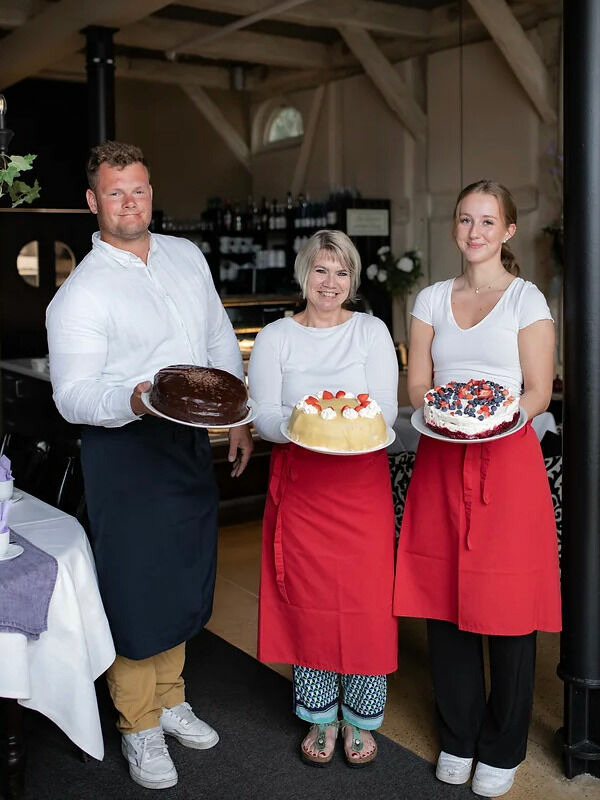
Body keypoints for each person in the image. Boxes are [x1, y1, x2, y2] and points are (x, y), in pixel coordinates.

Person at [46, 141, 253, 791]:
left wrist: (239, 412)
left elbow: (218, 334)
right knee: (136, 590)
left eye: (138, 188)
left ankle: (170, 699)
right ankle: (138, 725)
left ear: (150, 192)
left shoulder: (187, 256)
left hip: (188, 445)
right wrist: (136, 397)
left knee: (183, 576)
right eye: (115, 191)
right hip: (124, 449)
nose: (129, 201)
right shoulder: (80, 294)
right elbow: (73, 396)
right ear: (92, 201)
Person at [393, 180, 561, 798]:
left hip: (507, 460)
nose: (475, 232)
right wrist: (442, 412)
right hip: (441, 456)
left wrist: (494, 417)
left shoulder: (527, 300)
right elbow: (418, 386)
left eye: (487, 222)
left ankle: (503, 745)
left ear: (508, 231)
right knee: (445, 599)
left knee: (510, 608)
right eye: (465, 220)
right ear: (455, 228)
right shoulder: (431, 298)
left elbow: (538, 390)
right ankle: (457, 734)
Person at [248, 230, 398, 767]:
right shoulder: (274, 337)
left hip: (361, 487)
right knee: (308, 601)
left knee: (364, 601)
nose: (330, 282)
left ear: (352, 281)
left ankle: (360, 716)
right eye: (320, 270)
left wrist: (335, 420)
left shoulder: (372, 332)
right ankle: (318, 715)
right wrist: (300, 424)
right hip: (301, 486)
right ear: (303, 276)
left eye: (341, 272)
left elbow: (381, 409)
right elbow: (262, 413)